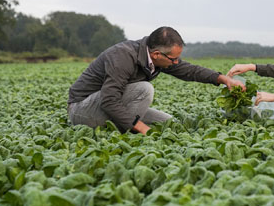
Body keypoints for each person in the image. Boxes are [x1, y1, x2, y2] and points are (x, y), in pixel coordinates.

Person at [68, 26, 244, 134]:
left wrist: (224, 79)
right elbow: (109, 100)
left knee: (168, 123)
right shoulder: (122, 56)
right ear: (157, 54)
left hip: (108, 106)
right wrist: (140, 127)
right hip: (83, 111)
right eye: (173, 59)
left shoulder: (158, 58)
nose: (176, 63)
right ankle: (124, 130)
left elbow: (189, 71)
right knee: (144, 89)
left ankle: (124, 125)